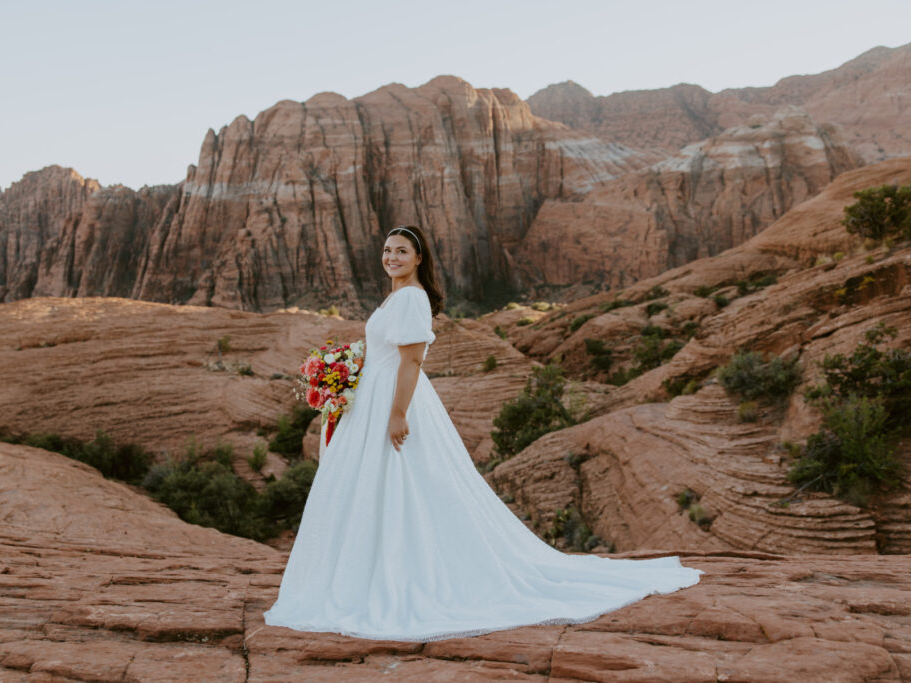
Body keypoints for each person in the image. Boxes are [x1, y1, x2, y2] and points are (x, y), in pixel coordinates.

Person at [262, 224, 702, 642]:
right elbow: (384, 352)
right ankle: (366, 571)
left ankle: (400, 576)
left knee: (401, 484)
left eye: (401, 251)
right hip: (372, 395)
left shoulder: (413, 299)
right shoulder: (396, 297)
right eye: (387, 250)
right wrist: (348, 371)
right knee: (373, 489)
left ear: (418, 258)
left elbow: (412, 361)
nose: (391, 257)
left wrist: (397, 413)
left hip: (392, 401)